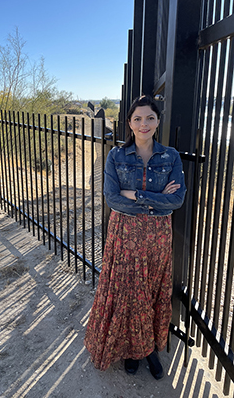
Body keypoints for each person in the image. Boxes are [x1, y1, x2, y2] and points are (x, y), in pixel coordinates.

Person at [84, 95, 186, 380]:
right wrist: (156, 200)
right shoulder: (116, 156)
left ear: (157, 121)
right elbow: (113, 200)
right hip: (125, 233)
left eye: (150, 118)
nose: (144, 124)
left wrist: (139, 195)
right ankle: (131, 350)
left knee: (152, 291)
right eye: (138, 118)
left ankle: (150, 349)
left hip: (157, 237)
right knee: (129, 294)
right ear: (129, 123)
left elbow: (177, 200)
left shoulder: (171, 157)